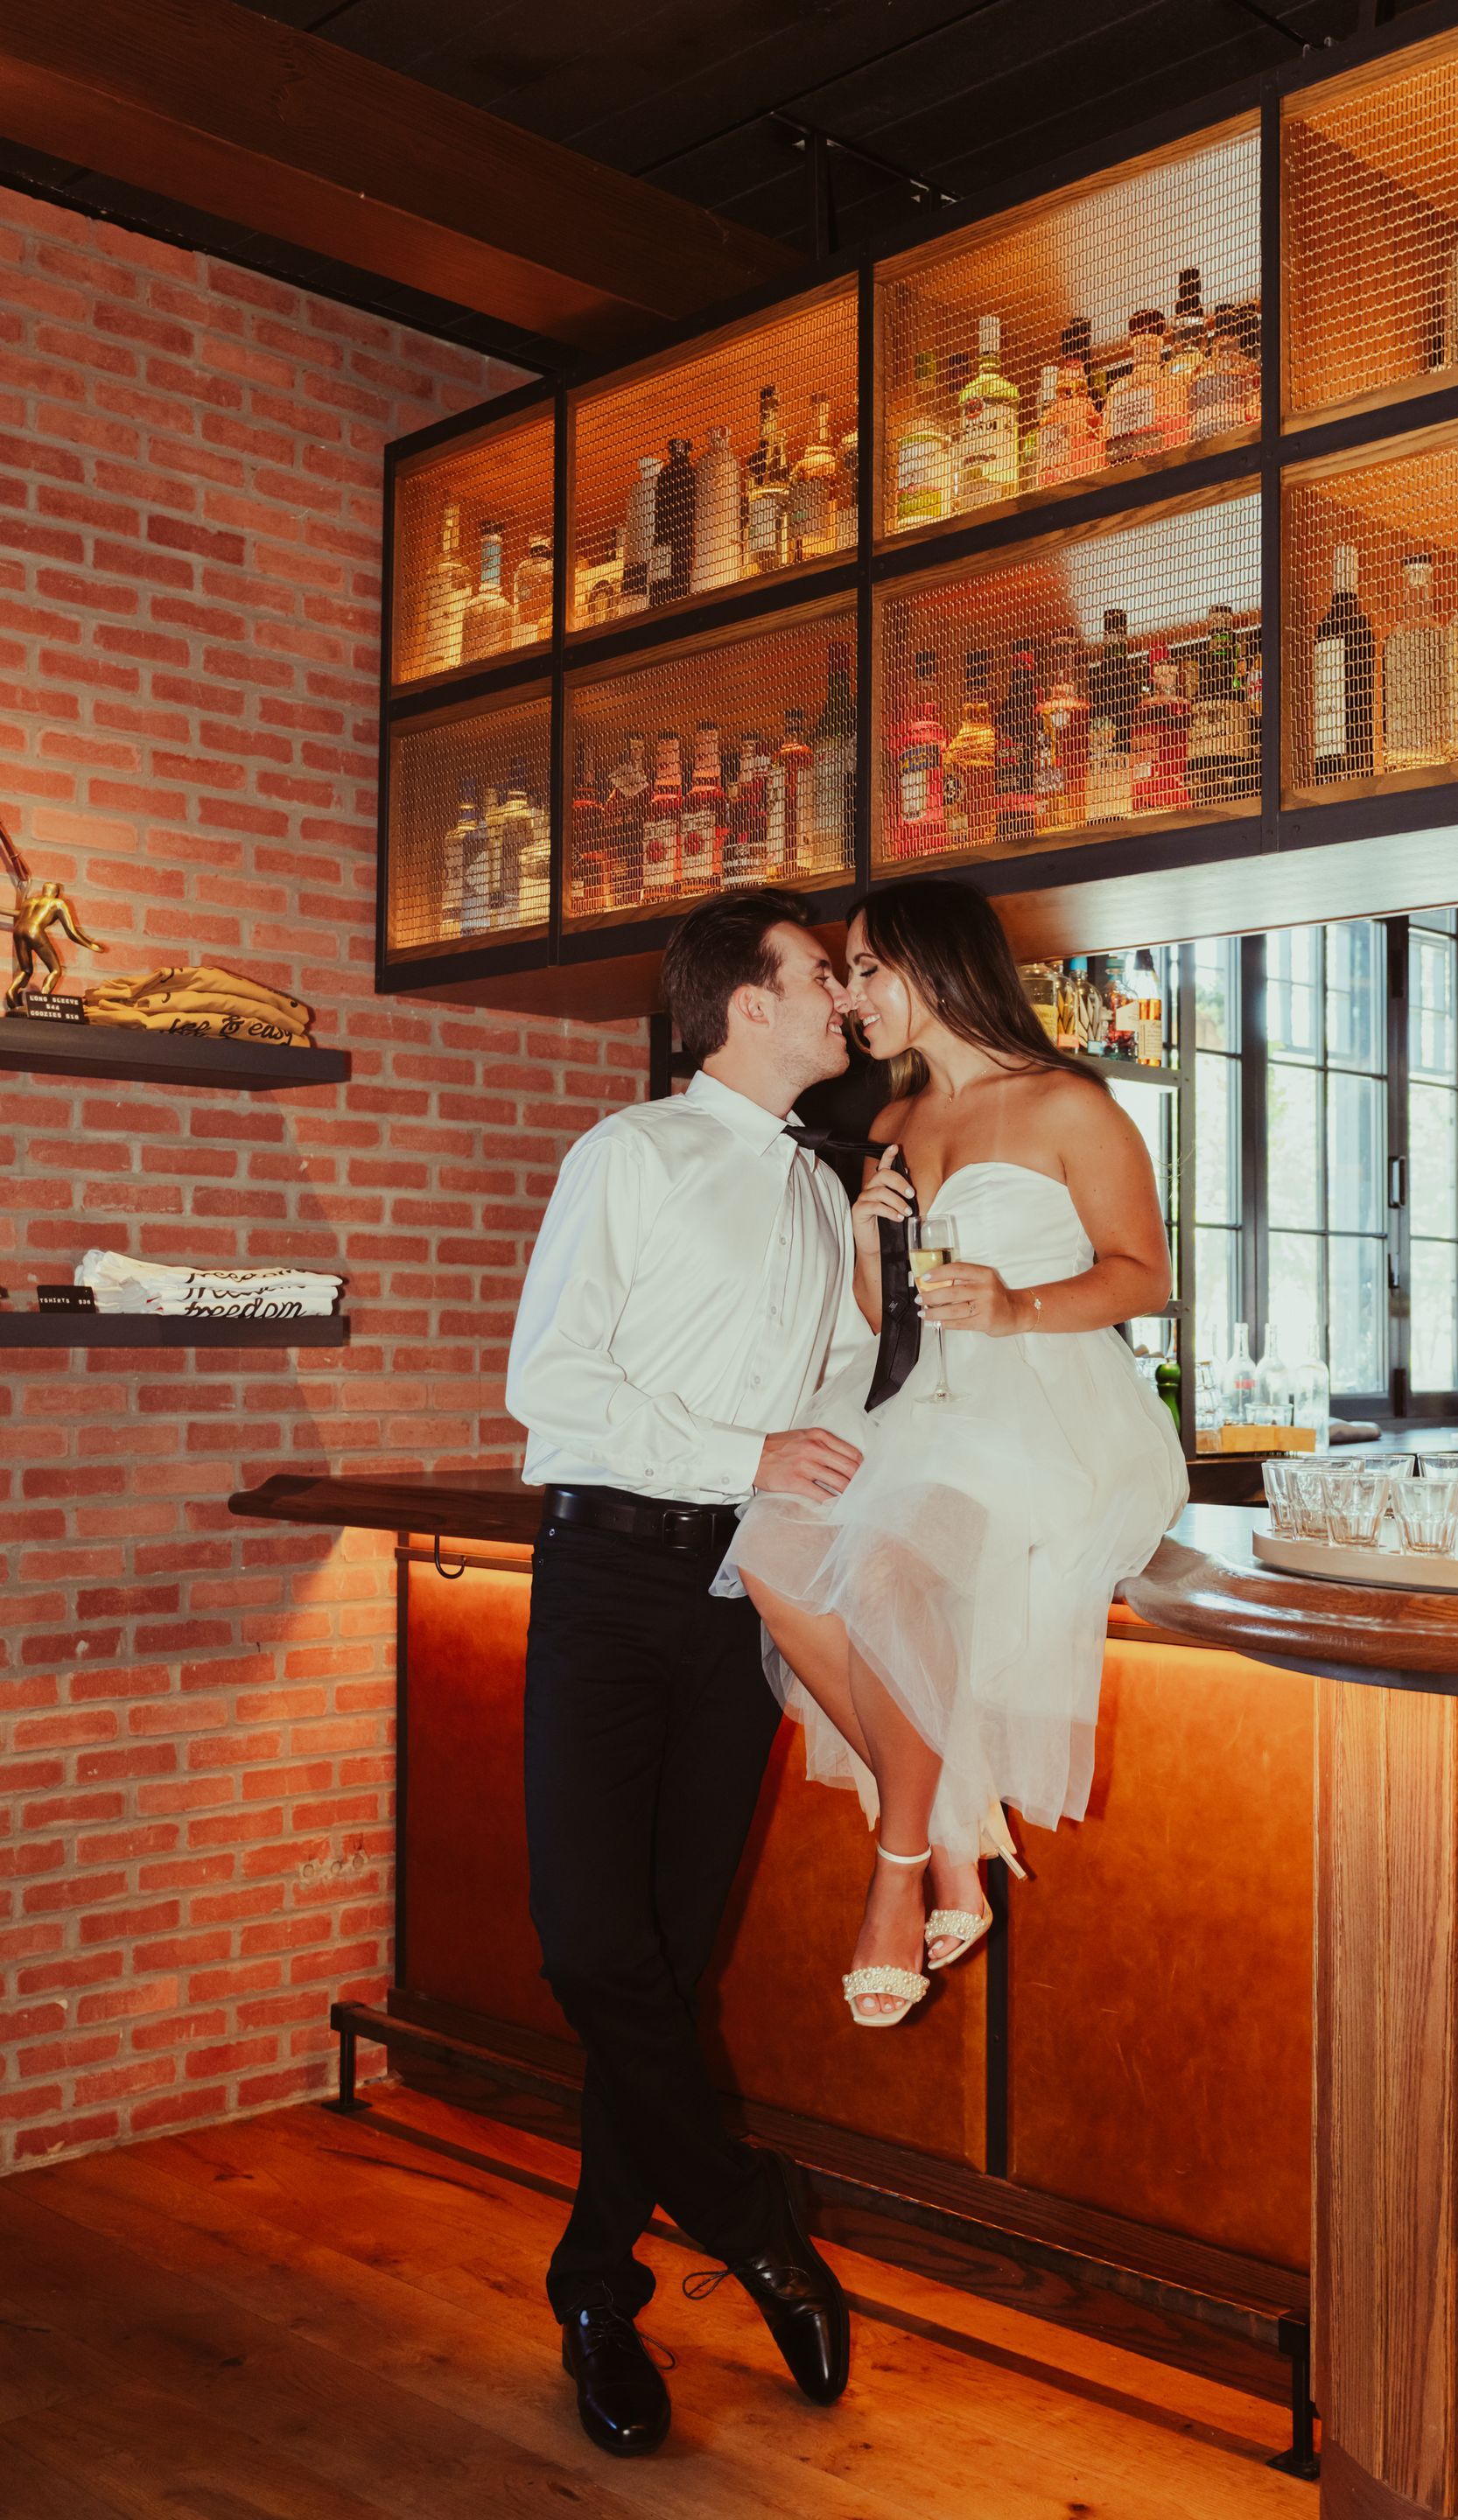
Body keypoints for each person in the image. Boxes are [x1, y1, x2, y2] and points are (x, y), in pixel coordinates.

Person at [506, 887, 862, 2458]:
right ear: (746, 1003)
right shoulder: (628, 1154)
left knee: (660, 1959)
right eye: (819, 977)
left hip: (740, 1600)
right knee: (592, 1949)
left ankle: (597, 2293)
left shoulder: (824, 1189)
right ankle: (748, 2216)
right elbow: (550, 1384)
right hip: (605, 1579)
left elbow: (834, 1405)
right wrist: (747, 1452)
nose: (843, 999)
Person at [721, 876, 1188, 2025]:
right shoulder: (891, 1125)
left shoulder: (1069, 1105)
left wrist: (1017, 1306)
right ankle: (948, 1814)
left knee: (884, 1573)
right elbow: (888, 1321)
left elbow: (1145, 1277)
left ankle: (902, 1874)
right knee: (773, 1562)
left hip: (1037, 1402)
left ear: (933, 968)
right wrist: (866, 1247)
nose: (850, 996)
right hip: (913, 1399)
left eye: (866, 970)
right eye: (845, 974)